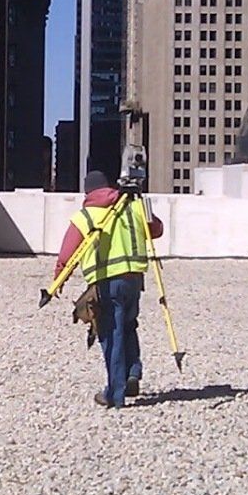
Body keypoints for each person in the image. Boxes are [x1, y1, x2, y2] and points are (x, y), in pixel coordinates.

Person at [54, 169, 165, 409]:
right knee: (128, 325)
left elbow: (68, 251)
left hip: (107, 281)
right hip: (134, 278)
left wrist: (59, 277)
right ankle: (132, 372)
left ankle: (115, 393)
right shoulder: (133, 206)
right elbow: (156, 229)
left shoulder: (86, 215)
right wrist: (141, 205)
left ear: (87, 192)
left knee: (110, 334)